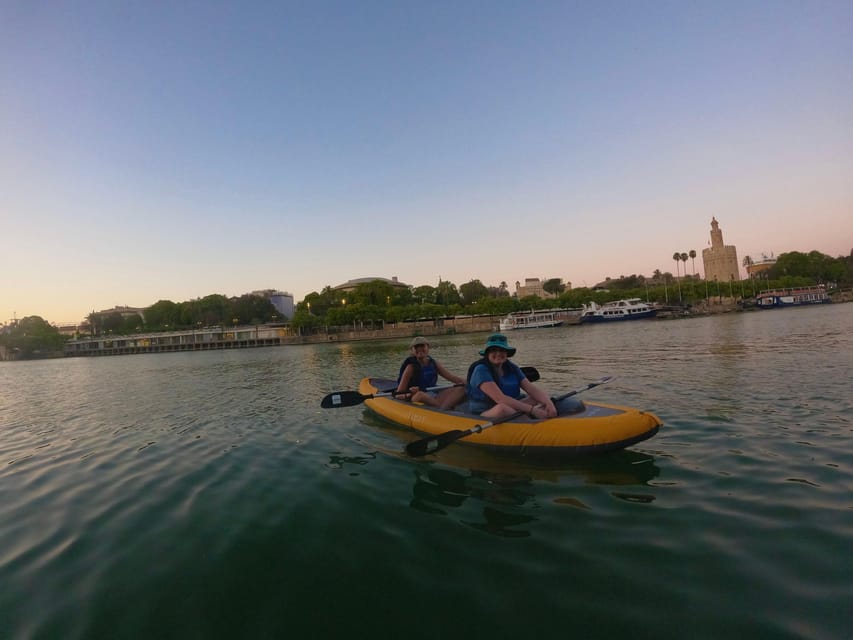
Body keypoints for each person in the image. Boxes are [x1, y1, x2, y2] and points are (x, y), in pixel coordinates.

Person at [466, 333, 557, 420]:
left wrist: (548, 403)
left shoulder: (512, 367)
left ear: (507, 353)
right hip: (485, 412)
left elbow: (532, 389)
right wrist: (532, 410)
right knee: (502, 408)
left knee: (537, 398)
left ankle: (544, 416)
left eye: (502, 350)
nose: (498, 354)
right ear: (487, 354)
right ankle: (530, 424)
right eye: (493, 350)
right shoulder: (481, 370)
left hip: (510, 406)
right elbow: (500, 399)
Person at [396, 336, 466, 410]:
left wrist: (468, 382)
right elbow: (398, 394)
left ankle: (443, 406)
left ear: (428, 348)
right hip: (416, 397)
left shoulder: (433, 363)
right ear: (412, 350)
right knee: (420, 395)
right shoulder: (410, 368)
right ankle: (442, 408)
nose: (419, 349)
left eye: (422, 346)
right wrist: (409, 393)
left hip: (432, 394)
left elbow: (452, 378)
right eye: (416, 347)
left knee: (462, 388)